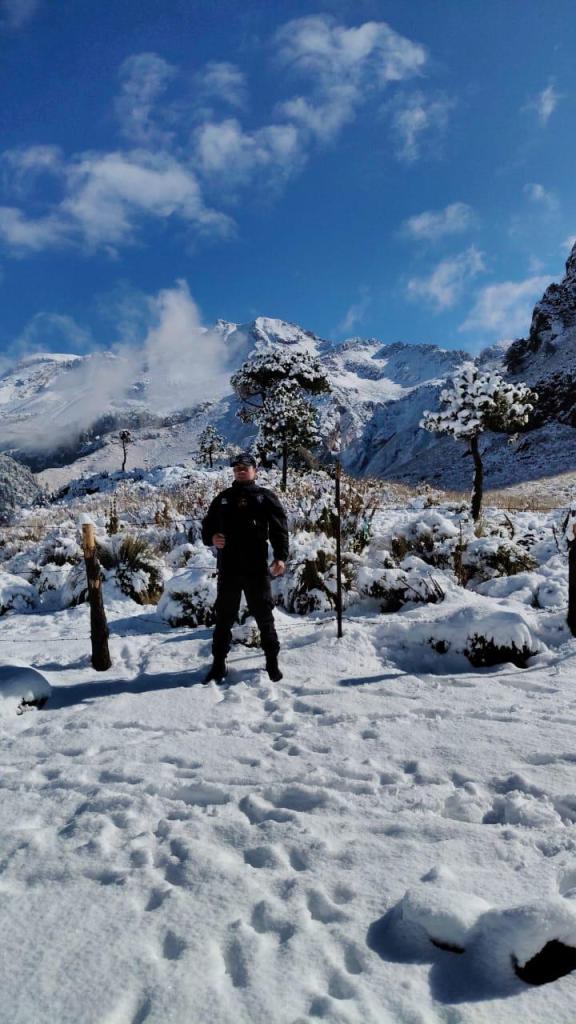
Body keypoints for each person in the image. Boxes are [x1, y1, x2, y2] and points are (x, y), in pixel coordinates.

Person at [201, 452, 288, 683]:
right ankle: (218, 664)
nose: (241, 469)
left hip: (256, 569)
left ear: (255, 470)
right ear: (233, 471)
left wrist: (281, 557)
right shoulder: (222, 498)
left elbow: (280, 529)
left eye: (246, 466)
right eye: (237, 467)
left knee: (264, 617)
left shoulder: (265, 497)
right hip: (228, 568)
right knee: (224, 618)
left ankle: (272, 662)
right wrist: (212, 538)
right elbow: (207, 528)